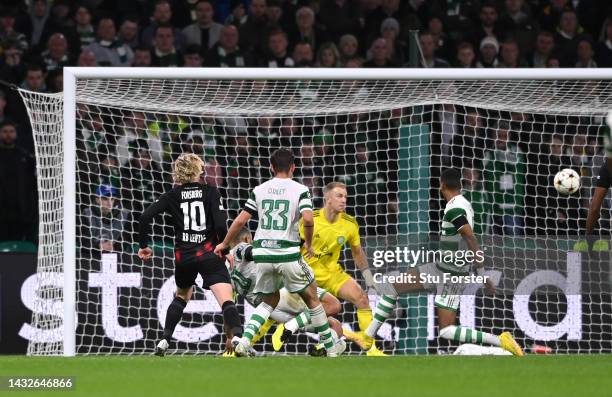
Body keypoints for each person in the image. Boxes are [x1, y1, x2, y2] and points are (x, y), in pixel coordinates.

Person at [363, 168, 524, 356]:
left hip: (451, 274)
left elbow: (470, 238)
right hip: (441, 268)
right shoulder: (463, 203)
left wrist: (482, 275)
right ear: (460, 185)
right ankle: (367, 338)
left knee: (446, 330)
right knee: (392, 286)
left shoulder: (455, 208)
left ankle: (500, 340)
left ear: (442, 185)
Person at [214, 148, 343, 357]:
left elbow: (240, 221)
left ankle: (244, 341)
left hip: (263, 253)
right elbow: (309, 220)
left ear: (271, 167)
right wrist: (308, 244)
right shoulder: (300, 189)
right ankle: (329, 348)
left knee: (269, 301)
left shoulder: (260, 189)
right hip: (287, 253)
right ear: (293, 167)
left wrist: (225, 244)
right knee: (313, 297)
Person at [137, 153, 243, 356]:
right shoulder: (211, 192)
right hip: (209, 254)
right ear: (198, 171)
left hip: (184, 257)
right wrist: (226, 248)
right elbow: (221, 225)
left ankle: (164, 340)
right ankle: (237, 337)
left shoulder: (172, 196)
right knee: (226, 299)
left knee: (182, 296)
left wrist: (144, 246)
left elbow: (144, 217)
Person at [294, 181, 386, 356]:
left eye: (345, 197)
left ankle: (371, 349)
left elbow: (357, 253)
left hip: (332, 274)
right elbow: (293, 248)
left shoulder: (349, 224)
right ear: (328, 199)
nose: (344, 200)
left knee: (362, 298)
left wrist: (368, 278)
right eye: (339, 196)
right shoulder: (308, 219)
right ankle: (244, 343)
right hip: (305, 275)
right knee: (277, 309)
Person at [225, 228, 346, 356]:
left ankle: (321, 347)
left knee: (335, 325)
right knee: (333, 304)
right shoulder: (241, 248)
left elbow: (228, 306)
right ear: (247, 239)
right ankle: (292, 326)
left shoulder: (226, 271)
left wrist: (229, 336)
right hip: (284, 291)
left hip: (271, 311)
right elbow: (255, 252)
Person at [81, 184, 130, 254]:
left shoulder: (124, 215)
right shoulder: (86, 214)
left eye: (112, 199)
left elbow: (126, 241)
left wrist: (114, 245)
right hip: (91, 257)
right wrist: (99, 246)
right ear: (97, 199)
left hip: (116, 257)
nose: (110, 203)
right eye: (105, 199)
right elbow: (83, 241)